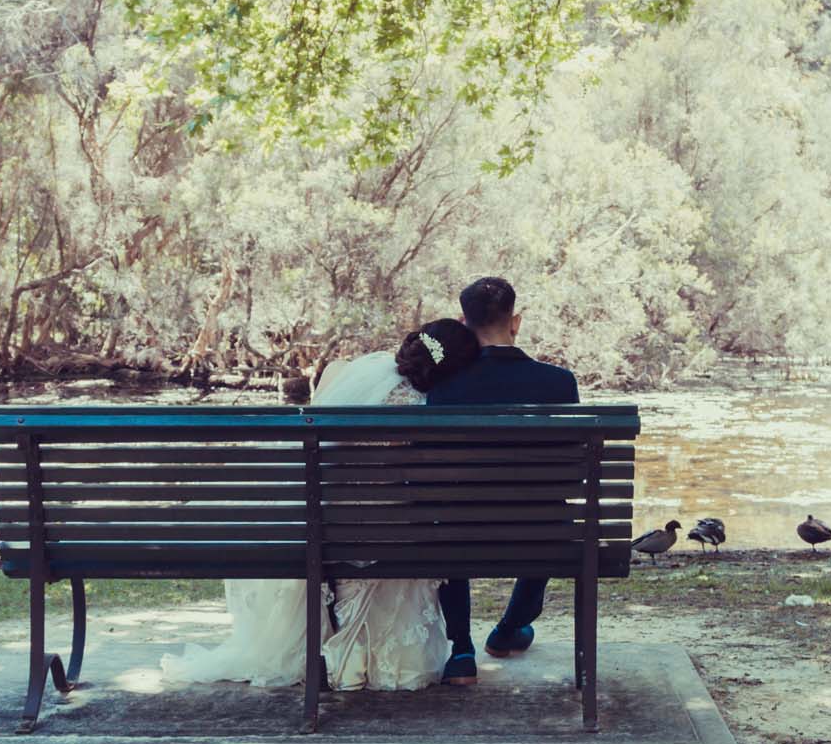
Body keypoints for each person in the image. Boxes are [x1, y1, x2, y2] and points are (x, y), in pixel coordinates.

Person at [158, 319, 481, 692]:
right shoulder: (424, 406)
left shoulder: (354, 374)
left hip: (320, 528)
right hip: (387, 538)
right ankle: (362, 650)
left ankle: (338, 645)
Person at [423, 276, 578, 685]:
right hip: (540, 530)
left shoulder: (442, 386)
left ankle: (462, 650)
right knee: (551, 511)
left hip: (458, 530)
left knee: (445, 515)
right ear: (516, 322)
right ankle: (510, 629)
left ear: (463, 323)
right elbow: (570, 468)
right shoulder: (560, 383)